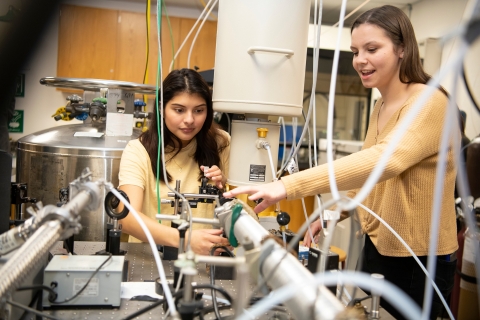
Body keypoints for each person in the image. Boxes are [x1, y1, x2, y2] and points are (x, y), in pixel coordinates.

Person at [223, 5, 457, 320]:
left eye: (372, 49)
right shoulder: (382, 104)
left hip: (419, 257)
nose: (360, 59)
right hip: (378, 245)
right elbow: (372, 180)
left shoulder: (431, 101)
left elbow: (384, 162)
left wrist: (287, 185)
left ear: (403, 48)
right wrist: (336, 213)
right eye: (355, 51)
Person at [118, 68, 231, 255]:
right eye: (179, 110)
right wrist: (184, 239)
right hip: (150, 258)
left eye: (199, 110)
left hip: (206, 258)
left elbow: (239, 205)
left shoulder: (221, 143)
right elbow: (126, 216)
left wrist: (225, 186)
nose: (189, 120)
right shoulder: (138, 151)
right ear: (162, 108)